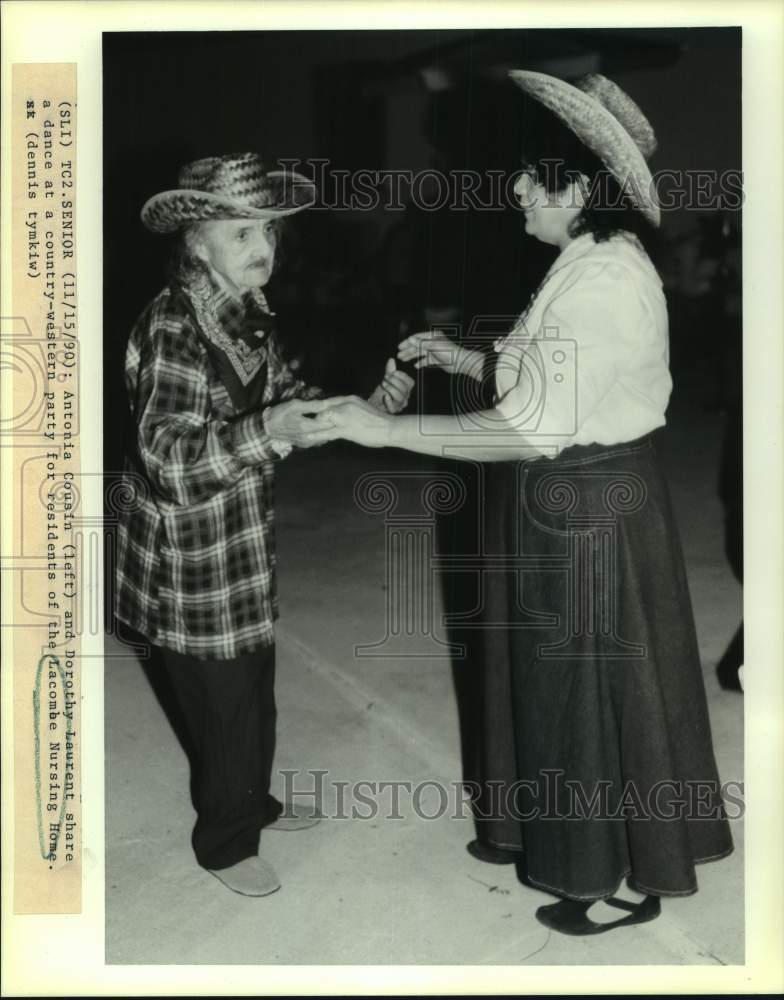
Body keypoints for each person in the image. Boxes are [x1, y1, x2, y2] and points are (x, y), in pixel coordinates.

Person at [312, 73, 733, 934]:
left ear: (578, 191)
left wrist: (383, 432)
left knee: (585, 689)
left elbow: (529, 429)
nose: (510, 191)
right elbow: (545, 373)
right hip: (571, 496)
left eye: (526, 178)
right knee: (551, 681)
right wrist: (468, 360)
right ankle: (545, 833)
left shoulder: (603, 283)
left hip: (587, 508)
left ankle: (612, 875)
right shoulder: (586, 262)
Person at [114, 152, 413, 897]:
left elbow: (283, 396)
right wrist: (269, 428)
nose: (263, 250)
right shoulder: (173, 330)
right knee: (224, 705)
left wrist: (360, 408)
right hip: (188, 563)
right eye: (241, 233)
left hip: (239, 552)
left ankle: (251, 797)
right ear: (195, 246)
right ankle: (225, 842)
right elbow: (169, 460)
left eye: (270, 234)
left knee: (253, 690)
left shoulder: (245, 318)